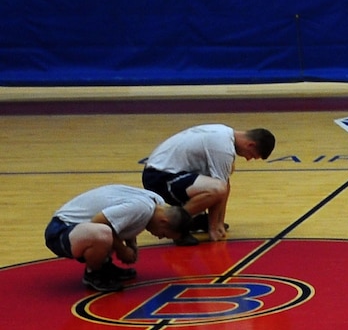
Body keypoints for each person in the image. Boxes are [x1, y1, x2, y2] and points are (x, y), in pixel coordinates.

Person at [140, 124, 275, 245]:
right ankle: (176, 228)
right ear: (250, 145)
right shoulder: (223, 148)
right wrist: (213, 228)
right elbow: (220, 190)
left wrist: (219, 222)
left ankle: (194, 219)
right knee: (216, 189)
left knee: (221, 182)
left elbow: (226, 185)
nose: (247, 159)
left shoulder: (224, 133)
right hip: (159, 178)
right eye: (251, 155)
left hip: (166, 173)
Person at [45, 184, 188, 292]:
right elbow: (99, 221)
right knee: (103, 233)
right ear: (164, 221)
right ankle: (93, 274)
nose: (158, 237)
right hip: (60, 231)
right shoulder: (142, 208)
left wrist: (131, 245)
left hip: (77, 230)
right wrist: (122, 250)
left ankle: (105, 267)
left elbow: (129, 221)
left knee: (109, 230)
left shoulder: (157, 202)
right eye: (163, 234)